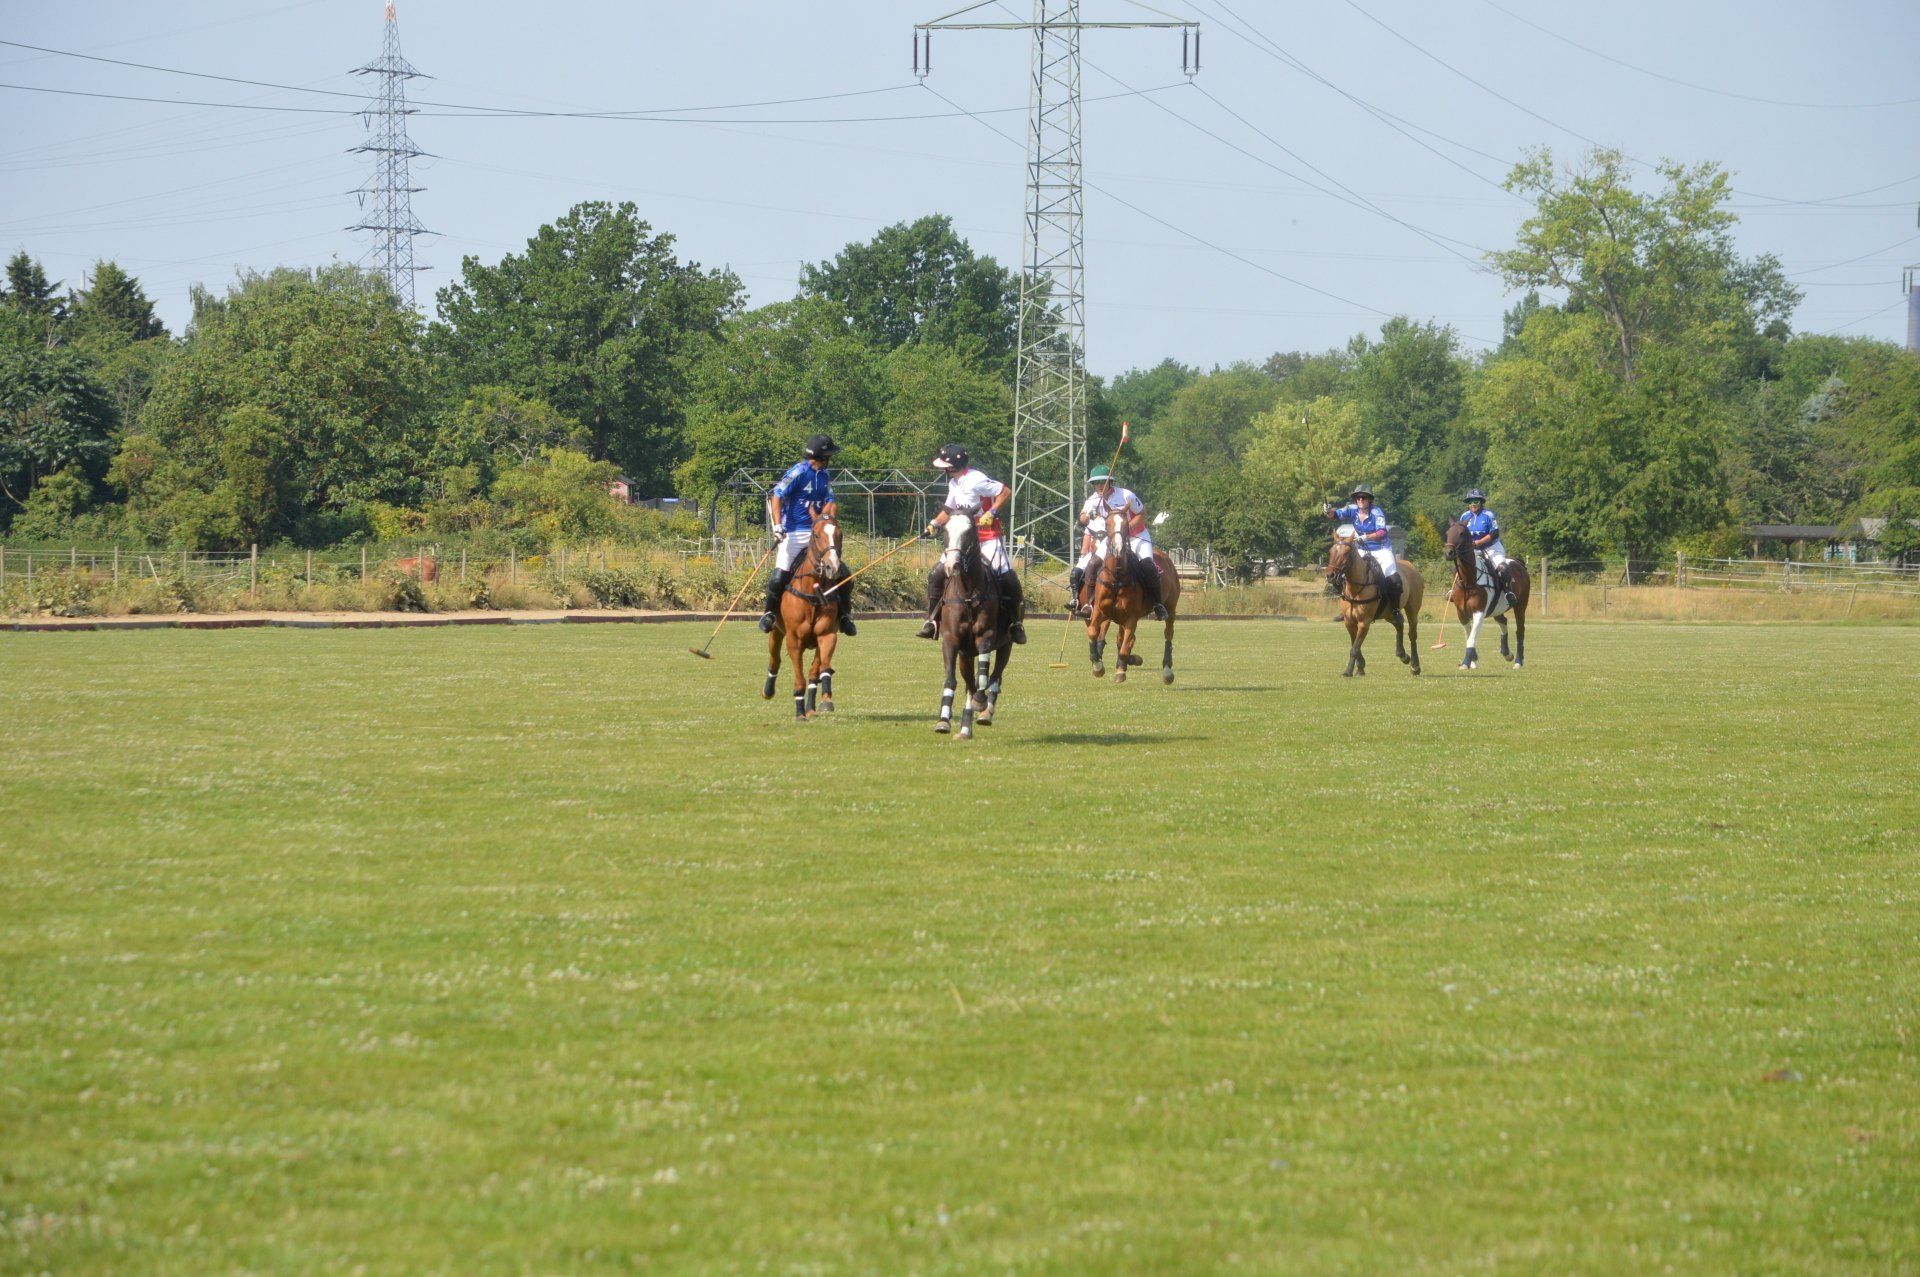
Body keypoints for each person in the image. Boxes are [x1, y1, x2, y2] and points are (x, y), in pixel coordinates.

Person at [915, 443, 1027, 644]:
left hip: (988, 537)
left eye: (946, 466)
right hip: (963, 540)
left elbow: (1005, 491)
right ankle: (932, 620)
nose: (943, 470)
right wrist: (934, 524)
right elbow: (949, 510)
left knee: (1007, 577)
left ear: (954, 466)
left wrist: (991, 512)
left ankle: (1015, 623)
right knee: (936, 573)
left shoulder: (976, 479)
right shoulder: (954, 483)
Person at [758, 434, 854, 636]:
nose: (830, 459)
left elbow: (830, 501)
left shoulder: (825, 476)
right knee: (779, 575)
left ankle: (845, 616)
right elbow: (776, 496)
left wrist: (826, 521)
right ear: (822, 456)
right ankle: (769, 614)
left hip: (818, 535)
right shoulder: (798, 472)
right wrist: (778, 526)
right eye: (828, 455)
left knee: (844, 575)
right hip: (794, 533)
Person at [1077, 465, 1166, 620]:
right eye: (1096, 483)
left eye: (1103, 482)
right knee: (1093, 564)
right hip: (1112, 539)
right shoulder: (1092, 500)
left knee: (1148, 566)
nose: (1100, 485)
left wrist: (1126, 529)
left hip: (1136, 535)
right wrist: (1088, 515)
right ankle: (1088, 605)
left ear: (1110, 482)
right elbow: (1082, 518)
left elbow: (1142, 514)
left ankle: (1158, 604)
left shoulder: (1126, 495)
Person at [1325, 483, 1403, 618]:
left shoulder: (1376, 512)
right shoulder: (1352, 509)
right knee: (1341, 574)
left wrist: (1366, 537)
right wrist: (1328, 511)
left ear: (1369, 499)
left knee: (1394, 579)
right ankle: (1346, 606)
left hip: (1381, 549)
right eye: (1358, 497)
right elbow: (1334, 515)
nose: (1360, 500)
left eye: (1364, 497)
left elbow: (1381, 532)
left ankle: (1395, 610)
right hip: (1361, 549)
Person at [1459, 488, 1509, 588]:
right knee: (1460, 569)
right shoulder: (1464, 516)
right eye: (1470, 502)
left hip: (1491, 548)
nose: (1473, 504)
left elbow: (1495, 533)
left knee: (1502, 569)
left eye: (1476, 501)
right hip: (1472, 550)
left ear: (1481, 502)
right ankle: (1455, 590)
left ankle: (1508, 592)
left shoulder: (1488, 515)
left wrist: (1480, 542)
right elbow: (1460, 533)